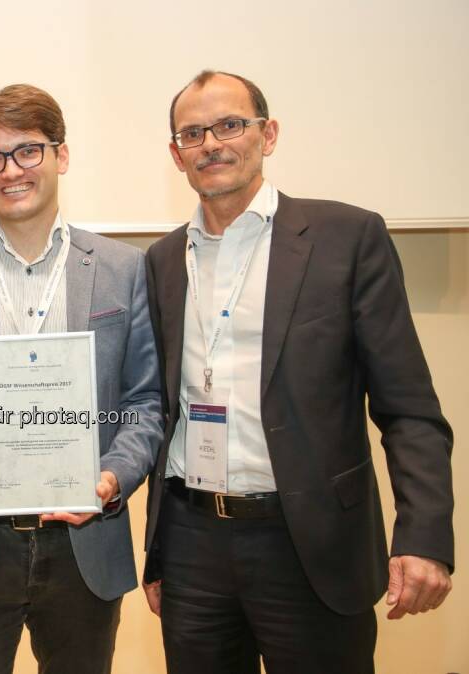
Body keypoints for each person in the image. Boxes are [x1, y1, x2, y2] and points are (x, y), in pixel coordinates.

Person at [142, 70, 454, 674]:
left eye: (230, 124)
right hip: (192, 544)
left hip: (310, 544)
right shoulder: (160, 261)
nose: (211, 143)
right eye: (192, 133)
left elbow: (408, 407)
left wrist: (423, 535)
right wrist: (160, 555)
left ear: (269, 133)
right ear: (176, 154)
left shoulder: (346, 237)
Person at [0, 84, 163, 674]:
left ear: (60, 156)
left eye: (28, 151)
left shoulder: (123, 268)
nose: (10, 171)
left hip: (84, 541)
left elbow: (144, 402)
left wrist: (110, 480)